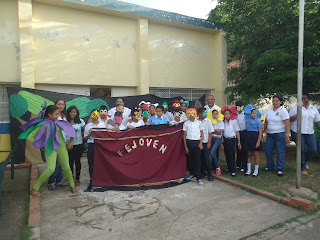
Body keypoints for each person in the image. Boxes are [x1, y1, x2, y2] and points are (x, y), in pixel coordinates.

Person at [19, 105, 78, 196]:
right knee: (51, 169)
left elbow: (69, 130)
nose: (58, 115)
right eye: (56, 114)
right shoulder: (43, 125)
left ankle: (72, 186)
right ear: (49, 114)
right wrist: (41, 145)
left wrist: (71, 140)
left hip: (62, 148)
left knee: (66, 167)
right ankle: (35, 188)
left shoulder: (59, 123)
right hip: (50, 149)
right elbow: (30, 137)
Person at [289, 93, 320, 176]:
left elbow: (318, 121)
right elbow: (289, 119)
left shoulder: (313, 108)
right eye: (301, 99)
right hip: (297, 131)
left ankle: (304, 161)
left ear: (308, 99)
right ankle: (302, 168)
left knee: (313, 149)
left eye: (305, 99)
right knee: (301, 150)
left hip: (310, 132)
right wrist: (296, 116)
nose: (303, 101)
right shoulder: (295, 108)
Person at [264, 95, 290, 176]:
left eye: (277, 101)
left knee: (280, 151)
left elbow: (287, 124)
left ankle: (279, 168)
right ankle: (270, 166)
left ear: (280, 102)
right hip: (270, 134)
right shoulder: (269, 111)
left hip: (280, 134)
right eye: (273, 100)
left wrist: (286, 135)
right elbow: (266, 122)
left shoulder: (283, 111)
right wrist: (262, 130)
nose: (275, 102)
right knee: (268, 150)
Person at [47, 99, 69, 191]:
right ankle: (51, 182)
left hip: (64, 143)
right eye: (59, 104)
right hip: (55, 143)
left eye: (62, 104)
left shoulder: (64, 116)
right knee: (55, 164)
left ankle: (58, 181)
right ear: (55, 105)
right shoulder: (52, 117)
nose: (60, 106)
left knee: (61, 164)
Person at [84, 110, 106, 191]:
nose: (96, 116)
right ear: (91, 116)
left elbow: (104, 136)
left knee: (100, 162)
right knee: (91, 162)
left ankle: (100, 179)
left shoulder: (102, 124)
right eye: (94, 114)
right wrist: (90, 133)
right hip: (91, 145)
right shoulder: (88, 125)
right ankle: (92, 179)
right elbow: (86, 138)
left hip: (100, 145)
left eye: (97, 114)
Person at [183, 108, 204, 184]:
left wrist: (201, 143)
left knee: (197, 160)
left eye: (192, 114)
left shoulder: (199, 123)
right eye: (189, 114)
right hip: (189, 142)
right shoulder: (186, 123)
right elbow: (184, 135)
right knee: (190, 159)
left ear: (195, 114)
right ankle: (192, 174)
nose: (190, 116)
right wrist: (185, 146)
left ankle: (198, 177)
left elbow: (202, 133)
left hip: (197, 142)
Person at [66, 106, 86, 186]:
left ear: (77, 113)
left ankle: (77, 179)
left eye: (74, 112)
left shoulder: (80, 121)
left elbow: (87, 128)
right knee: (69, 163)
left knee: (77, 162)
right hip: (68, 145)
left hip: (78, 145)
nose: (73, 113)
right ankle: (70, 179)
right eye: (71, 112)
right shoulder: (65, 121)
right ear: (68, 112)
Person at [221, 107, 241, 177]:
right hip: (225, 140)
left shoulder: (234, 121)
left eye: (228, 114)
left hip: (231, 139)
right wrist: (221, 143)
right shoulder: (223, 122)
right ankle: (229, 167)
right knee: (226, 154)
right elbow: (222, 133)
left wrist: (239, 141)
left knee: (231, 154)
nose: (227, 116)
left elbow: (237, 131)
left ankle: (233, 170)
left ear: (230, 114)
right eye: (225, 114)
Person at [244, 105, 263, 177]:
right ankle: (248, 170)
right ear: (250, 114)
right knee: (249, 154)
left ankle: (256, 171)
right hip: (249, 137)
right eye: (253, 113)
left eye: (255, 113)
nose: (254, 114)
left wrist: (258, 142)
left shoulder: (258, 122)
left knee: (256, 154)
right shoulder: (247, 120)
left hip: (255, 137)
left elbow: (260, 132)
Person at [198, 107, 214, 181]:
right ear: (200, 114)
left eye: (206, 113)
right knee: (200, 159)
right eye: (204, 113)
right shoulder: (196, 121)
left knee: (206, 158)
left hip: (205, 142)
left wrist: (209, 142)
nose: (205, 114)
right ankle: (202, 173)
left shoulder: (208, 121)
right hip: (198, 142)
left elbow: (210, 132)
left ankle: (210, 174)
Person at [207, 109, 224, 175]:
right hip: (211, 138)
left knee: (212, 152)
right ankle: (214, 167)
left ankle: (217, 167)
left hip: (218, 139)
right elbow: (210, 131)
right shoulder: (210, 121)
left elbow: (220, 133)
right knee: (215, 153)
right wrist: (215, 131)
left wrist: (214, 131)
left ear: (218, 114)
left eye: (216, 114)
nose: (215, 115)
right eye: (213, 114)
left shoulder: (220, 122)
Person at [235, 100, 247, 172]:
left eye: (241, 107)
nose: (239, 108)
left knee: (244, 149)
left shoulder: (245, 114)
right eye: (238, 107)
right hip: (237, 132)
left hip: (244, 132)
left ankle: (244, 165)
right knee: (238, 149)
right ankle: (238, 164)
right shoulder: (235, 114)